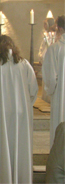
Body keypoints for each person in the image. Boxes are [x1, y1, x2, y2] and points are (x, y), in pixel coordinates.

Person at [0, 35, 38, 184]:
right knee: (20, 147)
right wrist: (24, 105)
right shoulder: (24, 64)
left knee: (0, 146)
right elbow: (34, 90)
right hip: (21, 114)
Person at [43, 15, 65, 148]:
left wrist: (51, 92)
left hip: (61, 97)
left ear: (60, 29)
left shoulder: (54, 49)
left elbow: (50, 78)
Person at [39, 18, 56, 103]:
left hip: (50, 58)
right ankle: (45, 98)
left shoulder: (53, 35)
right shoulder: (45, 35)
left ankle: (49, 98)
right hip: (45, 58)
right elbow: (42, 47)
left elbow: (50, 46)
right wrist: (40, 56)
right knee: (45, 78)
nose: (44, 26)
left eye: (45, 24)